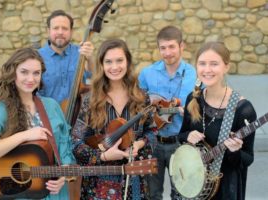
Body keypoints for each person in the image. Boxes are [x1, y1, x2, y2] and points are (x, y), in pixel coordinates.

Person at [0, 48, 75, 200]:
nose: (31, 79)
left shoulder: (52, 106)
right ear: (13, 74)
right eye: (24, 72)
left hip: (55, 194)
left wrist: (62, 178)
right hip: (20, 193)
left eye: (36, 73)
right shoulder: (0, 111)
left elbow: (66, 155)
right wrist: (24, 135)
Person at [72, 38, 153, 200]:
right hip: (98, 185)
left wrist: (139, 143)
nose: (114, 67)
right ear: (101, 65)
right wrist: (103, 156)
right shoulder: (90, 100)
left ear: (128, 62)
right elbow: (76, 143)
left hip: (134, 183)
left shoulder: (141, 97)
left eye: (119, 60)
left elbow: (152, 132)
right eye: (108, 62)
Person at [178, 41, 257, 200]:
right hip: (195, 186)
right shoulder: (193, 99)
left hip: (226, 190)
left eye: (214, 64)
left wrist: (234, 152)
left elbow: (248, 158)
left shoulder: (243, 109)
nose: (207, 70)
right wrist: (187, 136)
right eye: (202, 64)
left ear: (226, 67)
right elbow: (180, 136)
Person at [138, 25, 196, 199]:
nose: (167, 52)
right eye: (163, 48)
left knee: (181, 193)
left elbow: (202, 108)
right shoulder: (147, 74)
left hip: (181, 143)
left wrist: (182, 110)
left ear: (182, 46)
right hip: (152, 143)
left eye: (171, 47)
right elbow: (138, 106)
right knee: (152, 194)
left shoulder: (194, 74)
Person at [38, 9, 94, 104]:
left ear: (71, 31)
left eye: (65, 28)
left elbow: (95, 77)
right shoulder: (37, 57)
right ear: (48, 31)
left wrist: (90, 59)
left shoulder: (81, 53)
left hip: (77, 116)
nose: (60, 32)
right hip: (48, 116)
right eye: (56, 28)